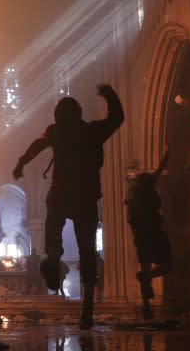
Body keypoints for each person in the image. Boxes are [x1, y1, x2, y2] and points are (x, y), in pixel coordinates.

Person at [13, 84, 124, 329]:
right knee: (86, 249)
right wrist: (109, 95)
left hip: (63, 193)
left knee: (53, 218)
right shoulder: (92, 131)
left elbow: (37, 145)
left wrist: (22, 162)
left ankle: (53, 255)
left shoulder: (56, 131)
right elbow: (117, 118)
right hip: (85, 196)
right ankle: (87, 309)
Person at [126, 150, 172, 321]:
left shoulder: (132, 192)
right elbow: (160, 168)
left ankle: (146, 306)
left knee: (145, 268)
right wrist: (168, 152)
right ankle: (147, 281)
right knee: (167, 265)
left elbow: (129, 218)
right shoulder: (147, 185)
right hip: (153, 230)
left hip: (141, 235)